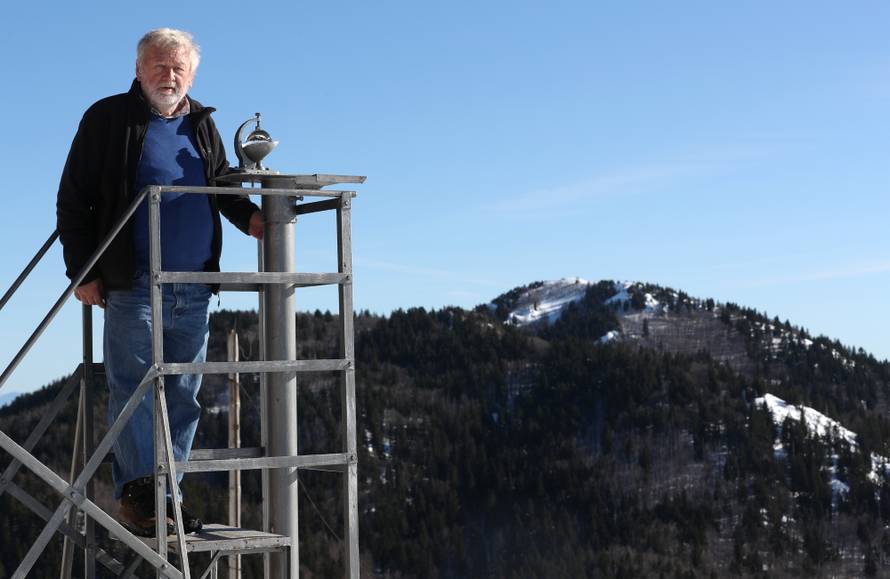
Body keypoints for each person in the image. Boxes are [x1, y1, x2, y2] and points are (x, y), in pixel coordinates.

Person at [56, 28, 263, 536]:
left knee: (183, 395)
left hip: (193, 284)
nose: (169, 76)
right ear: (138, 70)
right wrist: (82, 271)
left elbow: (224, 190)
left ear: (191, 74)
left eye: (178, 68)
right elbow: (73, 198)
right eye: (159, 67)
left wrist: (261, 223)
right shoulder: (107, 118)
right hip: (132, 280)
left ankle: (169, 496)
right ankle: (139, 498)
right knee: (135, 391)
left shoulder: (201, 125)